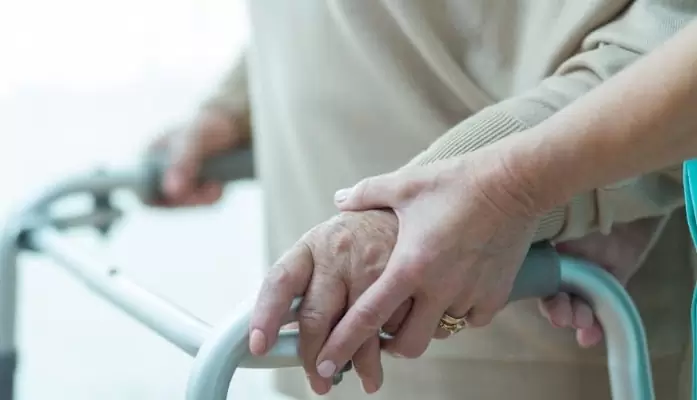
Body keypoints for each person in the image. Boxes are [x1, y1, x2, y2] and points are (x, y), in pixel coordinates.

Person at [151, 1, 697, 399]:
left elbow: (673, 28)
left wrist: (495, 192)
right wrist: (235, 105)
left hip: (518, 332)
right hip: (322, 324)